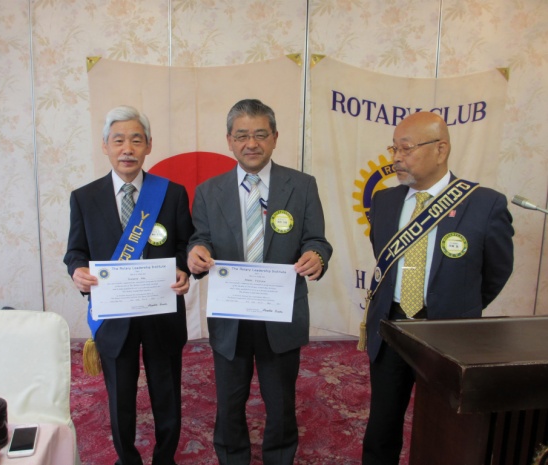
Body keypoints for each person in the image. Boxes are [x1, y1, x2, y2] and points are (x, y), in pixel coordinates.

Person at [362, 111, 514, 465]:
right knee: (382, 425)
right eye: (394, 148)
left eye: (406, 148)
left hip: (449, 333)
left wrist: (458, 306)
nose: (396, 158)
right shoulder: (384, 202)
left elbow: (496, 271)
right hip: (391, 326)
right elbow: (383, 260)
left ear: (441, 149)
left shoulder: (484, 204)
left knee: (446, 430)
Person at [187, 98, 333, 465]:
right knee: (229, 401)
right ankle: (232, 457)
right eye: (242, 136)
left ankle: (279, 458)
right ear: (229, 140)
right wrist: (196, 252)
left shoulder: (302, 186)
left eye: (260, 135)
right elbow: (199, 238)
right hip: (230, 315)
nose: (251, 144)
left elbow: (317, 240)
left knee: (281, 402)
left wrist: (317, 255)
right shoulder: (208, 191)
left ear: (275, 138)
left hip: (280, 313)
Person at [64, 105, 193, 465]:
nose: (127, 149)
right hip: (114, 315)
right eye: (118, 140)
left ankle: (165, 458)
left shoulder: (171, 194)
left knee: (166, 393)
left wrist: (183, 269)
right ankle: (127, 460)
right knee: (120, 397)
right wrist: (77, 270)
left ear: (149, 145)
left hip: (161, 311)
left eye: (136, 140)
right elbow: (75, 251)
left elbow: (186, 244)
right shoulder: (84, 198)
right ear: (105, 146)